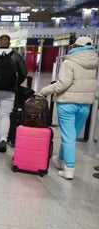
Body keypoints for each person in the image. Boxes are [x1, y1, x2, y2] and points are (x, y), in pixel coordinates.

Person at [36, 36, 97, 179]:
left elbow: (62, 84)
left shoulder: (69, 62)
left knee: (68, 136)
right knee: (72, 135)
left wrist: (43, 91)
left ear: (75, 46)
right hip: (85, 104)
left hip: (67, 103)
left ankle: (69, 168)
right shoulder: (93, 63)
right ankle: (60, 160)